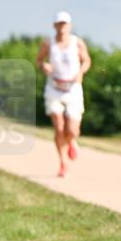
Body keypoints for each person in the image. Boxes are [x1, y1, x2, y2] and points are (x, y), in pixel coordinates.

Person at [36, 11, 91, 177]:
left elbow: (87, 60)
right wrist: (44, 66)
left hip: (73, 88)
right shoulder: (48, 43)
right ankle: (63, 164)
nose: (62, 27)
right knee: (59, 127)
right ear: (54, 26)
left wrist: (81, 72)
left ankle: (72, 141)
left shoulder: (77, 43)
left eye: (65, 24)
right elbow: (39, 60)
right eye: (59, 24)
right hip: (54, 88)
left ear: (69, 26)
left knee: (72, 130)